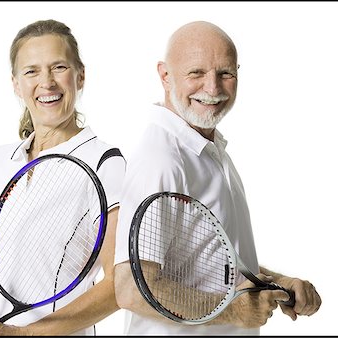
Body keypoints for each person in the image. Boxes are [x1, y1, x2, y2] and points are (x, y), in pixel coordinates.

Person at [113, 21, 321, 335]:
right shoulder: (161, 159)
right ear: (165, 75)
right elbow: (132, 289)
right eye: (196, 73)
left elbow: (213, 259)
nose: (212, 88)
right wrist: (233, 309)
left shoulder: (208, 147)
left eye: (225, 73)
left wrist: (281, 283)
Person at [0, 19, 125, 336]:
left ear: (81, 76)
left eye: (58, 67)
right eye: (31, 71)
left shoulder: (104, 163)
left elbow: (120, 285)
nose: (46, 82)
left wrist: (24, 334)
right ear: (16, 84)